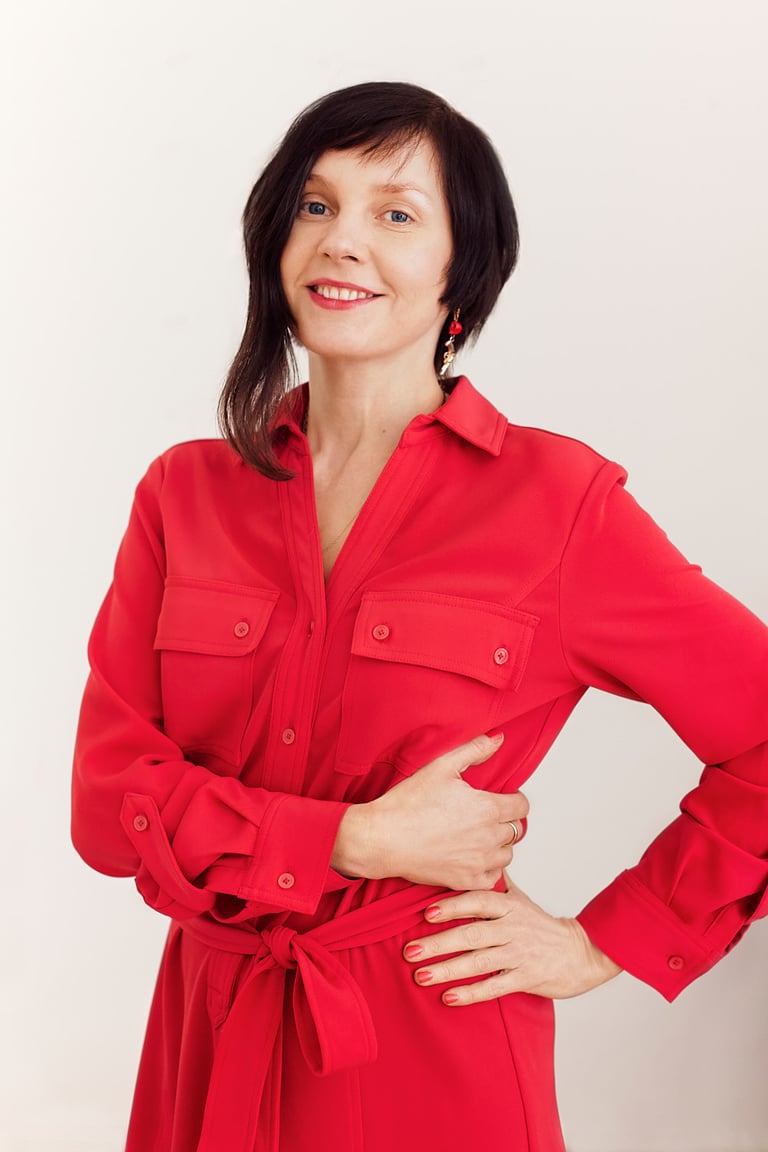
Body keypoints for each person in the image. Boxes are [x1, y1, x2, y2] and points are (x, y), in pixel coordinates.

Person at [71, 81, 768, 1152]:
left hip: (429, 1043)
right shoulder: (184, 494)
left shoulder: (558, 502)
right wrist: (349, 838)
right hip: (211, 1033)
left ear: (463, 270)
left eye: (395, 214)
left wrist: (609, 942)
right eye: (315, 205)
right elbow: (110, 799)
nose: (342, 241)